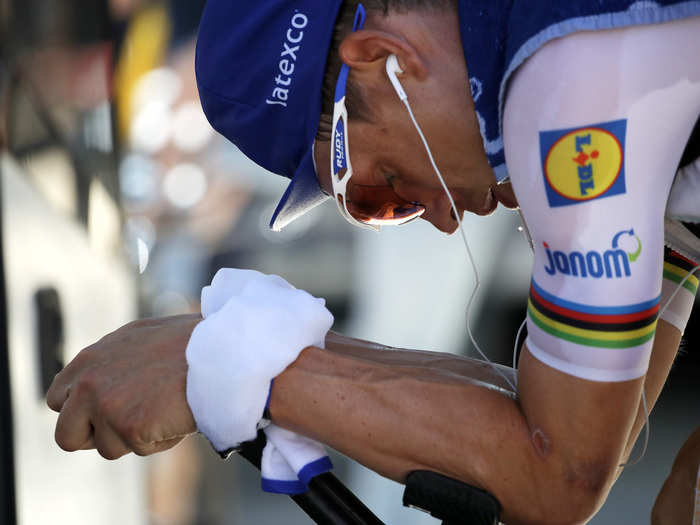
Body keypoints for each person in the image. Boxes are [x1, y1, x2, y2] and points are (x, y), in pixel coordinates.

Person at [46, 1, 700, 523]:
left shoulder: (564, 80)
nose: (444, 220)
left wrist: (233, 365)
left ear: (386, 58)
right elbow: (603, 422)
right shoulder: (552, 46)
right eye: (379, 204)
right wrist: (255, 352)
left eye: (385, 185)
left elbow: (560, 474)